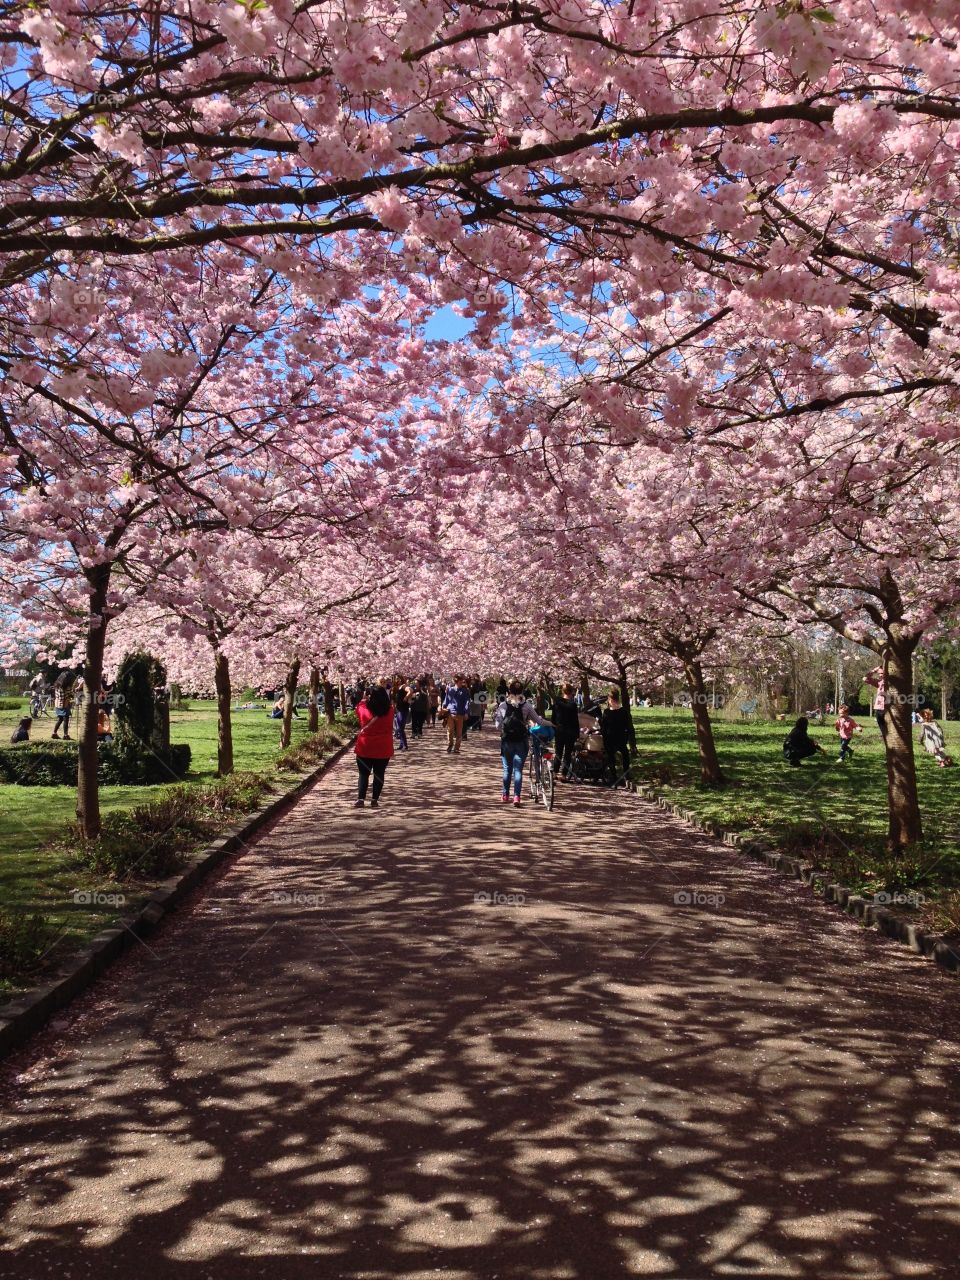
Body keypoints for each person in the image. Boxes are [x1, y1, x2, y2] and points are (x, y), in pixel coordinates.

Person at [495, 679, 548, 804]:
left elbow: (497, 725)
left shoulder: (502, 706)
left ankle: (505, 795)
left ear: (509, 691)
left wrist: (505, 728)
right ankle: (517, 797)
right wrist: (550, 723)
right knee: (518, 770)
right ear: (522, 691)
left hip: (507, 740)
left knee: (507, 769)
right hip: (521, 741)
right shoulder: (527, 706)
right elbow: (538, 721)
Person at [354, 684, 394, 808]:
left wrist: (364, 698)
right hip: (383, 747)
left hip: (365, 747)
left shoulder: (363, 708)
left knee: (363, 774)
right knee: (379, 773)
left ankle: (360, 799)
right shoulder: (390, 710)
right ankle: (374, 799)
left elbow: (359, 709)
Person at [600, 689, 636, 787]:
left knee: (611, 757)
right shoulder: (624, 712)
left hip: (609, 738)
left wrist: (602, 733)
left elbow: (603, 727)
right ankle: (626, 773)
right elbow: (628, 726)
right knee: (625, 754)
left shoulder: (606, 712)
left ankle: (613, 776)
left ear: (610, 699)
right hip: (620, 738)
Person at [551, 682, 580, 781]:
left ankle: (555, 772)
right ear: (571, 692)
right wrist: (577, 733)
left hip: (560, 730)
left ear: (562, 691)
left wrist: (555, 725)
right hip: (570, 731)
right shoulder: (573, 705)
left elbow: (553, 718)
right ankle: (564, 774)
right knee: (568, 754)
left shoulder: (557, 703)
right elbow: (576, 720)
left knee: (558, 752)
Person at [443, 674, 472, 754]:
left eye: (462, 681)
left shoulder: (465, 691)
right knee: (450, 730)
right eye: (460, 681)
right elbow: (446, 700)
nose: (461, 683)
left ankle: (456, 748)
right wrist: (443, 707)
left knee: (459, 732)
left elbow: (467, 702)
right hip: (450, 712)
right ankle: (450, 745)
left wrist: (466, 712)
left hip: (460, 713)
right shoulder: (450, 689)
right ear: (457, 682)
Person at [865, 665, 887, 740]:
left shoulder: (890, 682)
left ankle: (884, 734)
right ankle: (883, 734)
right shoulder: (879, 682)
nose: (880, 675)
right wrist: (874, 670)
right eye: (879, 673)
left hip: (887, 706)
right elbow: (865, 678)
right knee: (879, 720)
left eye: (882, 673)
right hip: (879, 706)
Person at [51, 671, 73, 739]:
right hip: (64, 704)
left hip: (57, 704)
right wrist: (72, 695)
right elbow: (68, 696)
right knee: (66, 719)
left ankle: (54, 733)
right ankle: (65, 735)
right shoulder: (66, 687)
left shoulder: (57, 684)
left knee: (60, 719)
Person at [394, 683, 410, 750]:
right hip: (398, 710)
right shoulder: (395, 689)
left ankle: (405, 745)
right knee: (399, 728)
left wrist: (406, 697)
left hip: (403, 710)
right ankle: (401, 744)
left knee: (400, 728)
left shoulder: (403, 686)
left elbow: (411, 690)